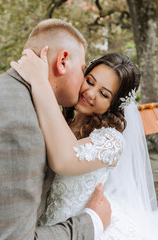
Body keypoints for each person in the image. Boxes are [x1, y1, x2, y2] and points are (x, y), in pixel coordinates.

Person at [11, 46, 158, 239]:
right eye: (89, 81)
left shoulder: (112, 141)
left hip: (84, 231)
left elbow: (64, 161)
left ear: (113, 105)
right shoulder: (62, 122)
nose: (90, 93)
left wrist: (40, 82)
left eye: (104, 94)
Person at [0, 19, 111, 240]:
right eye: (82, 71)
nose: (84, 87)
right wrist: (92, 222)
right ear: (62, 61)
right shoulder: (22, 122)